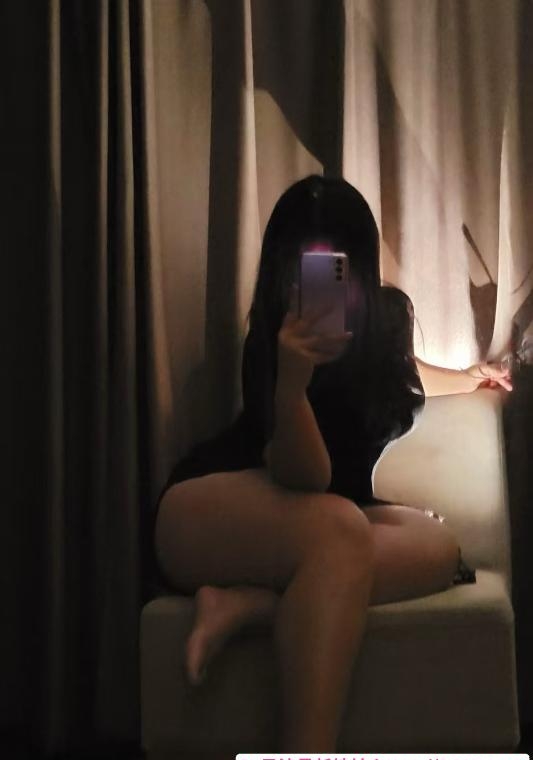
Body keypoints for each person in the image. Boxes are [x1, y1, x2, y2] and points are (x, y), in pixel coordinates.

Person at [152, 175, 513, 752]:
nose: (322, 284)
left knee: (438, 545)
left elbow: (405, 371)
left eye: (337, 266)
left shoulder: (383, 324)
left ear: (359, 267)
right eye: (307, 266)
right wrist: (292, 388)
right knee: (341, 528)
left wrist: (468, 377)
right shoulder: (272, 343)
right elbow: (306, 479)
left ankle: (251, 603)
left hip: (322, 524)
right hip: (216, 504)